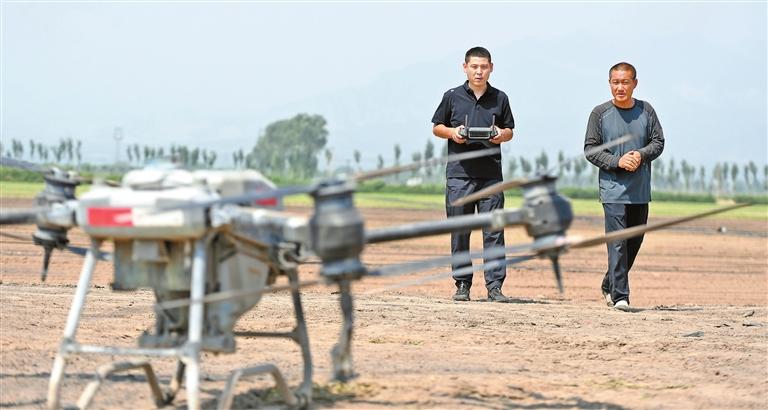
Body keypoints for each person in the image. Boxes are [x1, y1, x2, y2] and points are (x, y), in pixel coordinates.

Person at [431, 46, 515, 302]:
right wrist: (453, 133)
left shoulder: (500, 98)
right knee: (460, 232)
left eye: (484, 67)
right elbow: (437, 127)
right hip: (459, 176)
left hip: (491, 175)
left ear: (491, 68)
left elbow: (510, 130)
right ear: (464, 67)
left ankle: (495, 287)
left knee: (494, 232)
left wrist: (501, 135)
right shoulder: (452, 96)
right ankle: (462, 284)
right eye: (474, 66)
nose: (479, 71)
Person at [584, 62, 665, 311]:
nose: (620, 87)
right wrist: (617, 161)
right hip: (613, 190)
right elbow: (591, 149)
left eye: (625, 82)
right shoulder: (600, 113)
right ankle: (621, 296)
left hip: (640, 190)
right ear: (609, 84)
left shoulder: (646, 110)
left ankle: (609, 283)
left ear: (634, 84)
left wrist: (640, 154)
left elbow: (658, 142)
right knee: (618, 243)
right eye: (615, 82)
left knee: (633, 243)